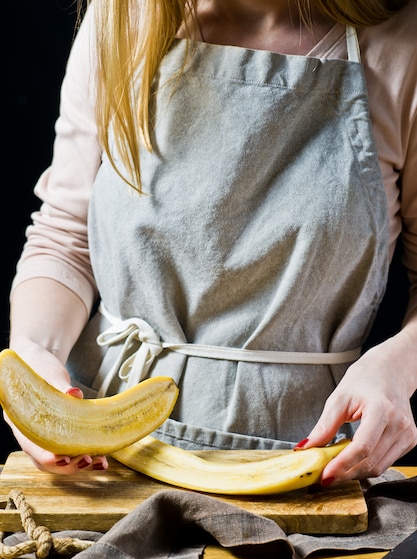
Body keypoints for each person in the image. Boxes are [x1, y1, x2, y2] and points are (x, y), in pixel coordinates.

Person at [4, 0, 417, 482]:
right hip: (100, 463)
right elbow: (64, 237)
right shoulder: (122, 18)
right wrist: (34, 354)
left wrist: (398, 366)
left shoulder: (402, 43)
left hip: (305, 465)